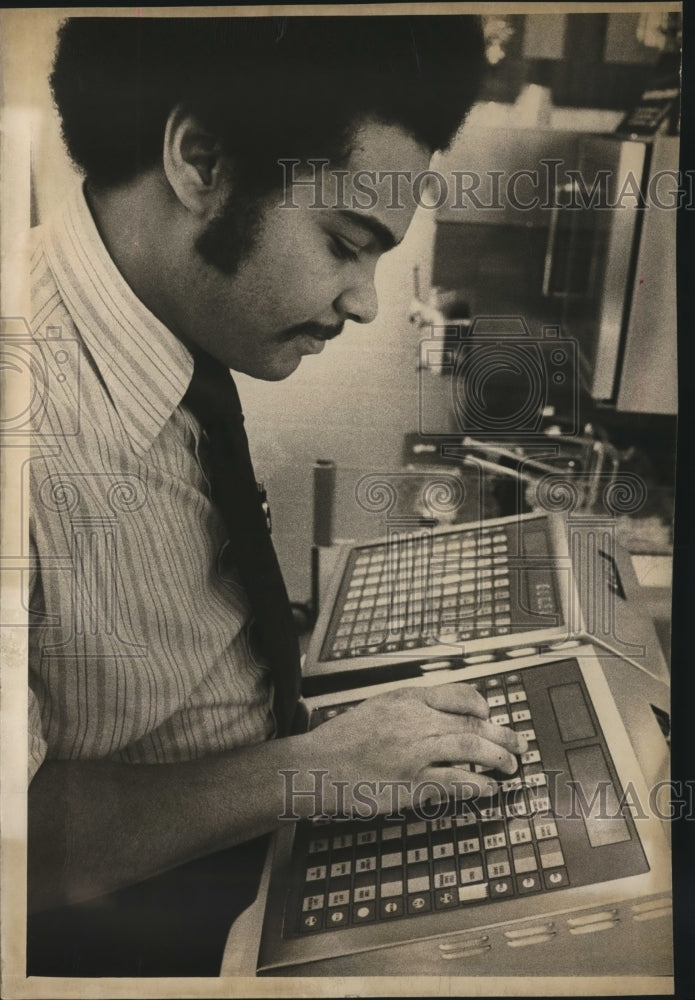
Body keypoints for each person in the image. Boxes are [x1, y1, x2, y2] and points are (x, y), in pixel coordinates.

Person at [26, 14, 526, 976]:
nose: (364, 300)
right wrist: (317, 772)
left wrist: (349, 728)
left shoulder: (174, 331)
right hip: (147, 941)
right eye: (345, 241)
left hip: (251, 851)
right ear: (200, 160)